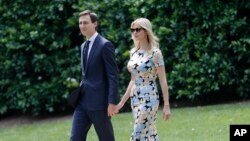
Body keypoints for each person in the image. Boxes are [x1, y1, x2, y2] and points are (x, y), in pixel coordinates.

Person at [116, 18, 171, 141]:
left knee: (137, 132)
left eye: (138, 29)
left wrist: (166, 105)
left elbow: (163, 81)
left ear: (146, 31)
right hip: (135, 97)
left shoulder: (155, 53)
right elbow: (133, 80)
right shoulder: (133, 53)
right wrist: (122, 102)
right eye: (133, 30)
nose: (134, 32)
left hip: (149, 96)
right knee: (149, 133)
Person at [70, 10, 118, 141]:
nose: (82, 26)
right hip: (82, 102)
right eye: (80, 23)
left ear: (95, 24)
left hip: (99, 103)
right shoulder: (82, 46)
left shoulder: (105, 45)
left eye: (85, 23)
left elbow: (112, 75)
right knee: (75, 138)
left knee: (106, 138)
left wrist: (112, 102)